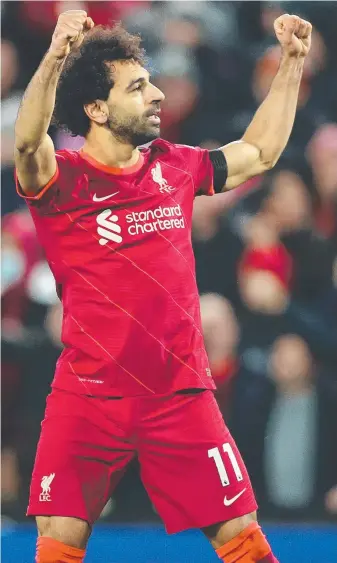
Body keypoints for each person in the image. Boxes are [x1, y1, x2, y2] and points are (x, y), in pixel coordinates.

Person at [14, 9, 312, 563]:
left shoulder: (173, 165)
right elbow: (27, 146)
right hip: (88, 397)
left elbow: (259, 153)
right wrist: (55, 56)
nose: (155, 95)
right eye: (137, 87)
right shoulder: (62, 181)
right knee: (57, 547)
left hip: (180, 395)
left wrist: (291, 64)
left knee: (245, 543)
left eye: (150, 82)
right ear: (97, 109)